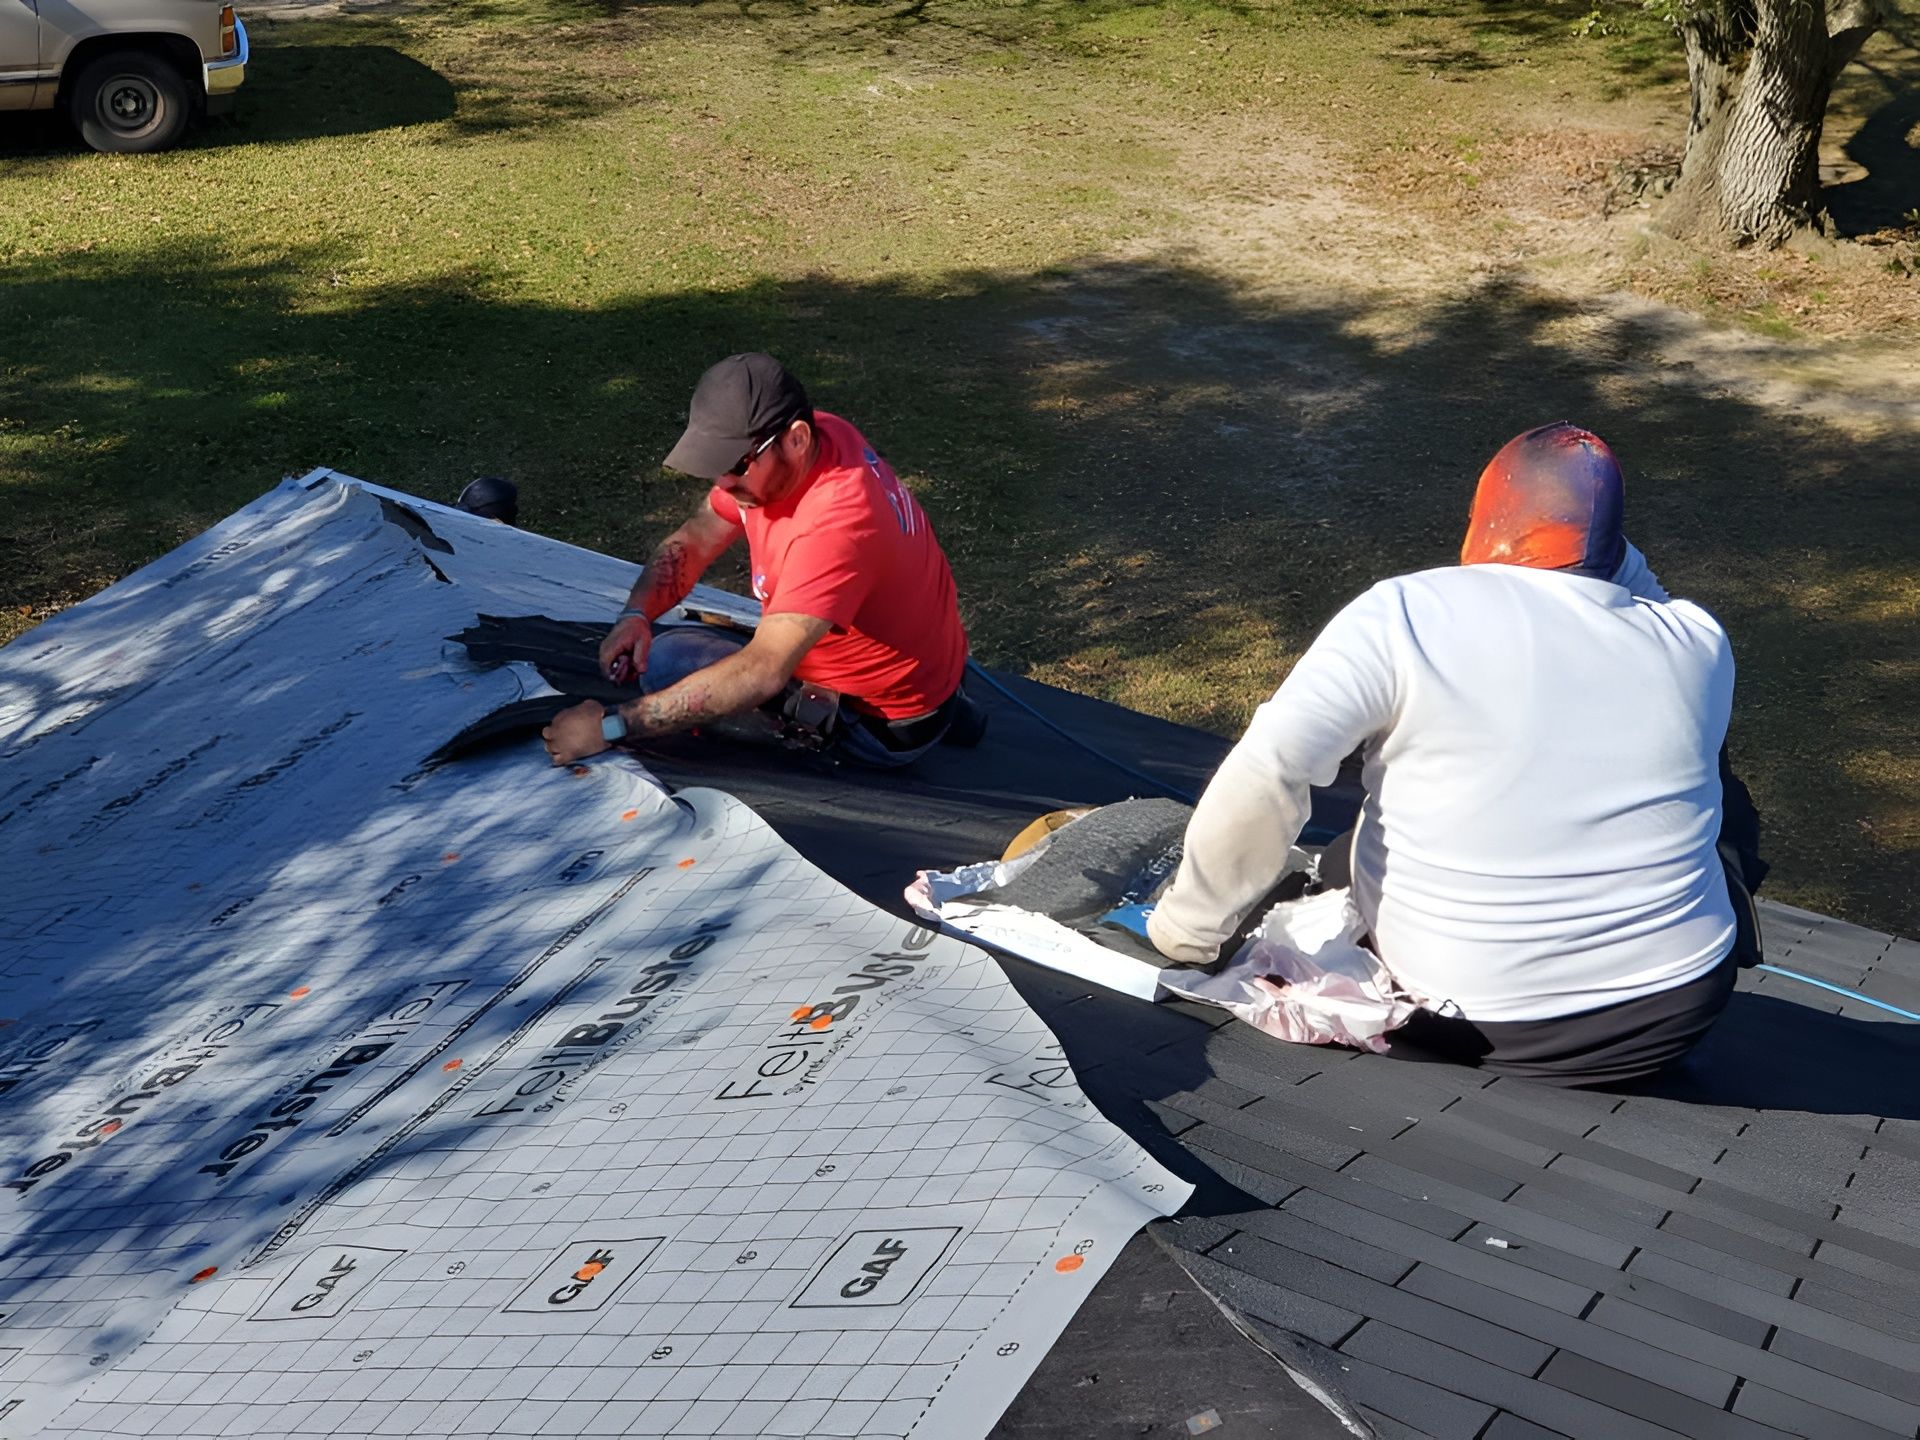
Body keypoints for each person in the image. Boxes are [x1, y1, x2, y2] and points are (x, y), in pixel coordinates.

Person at [1143, 423, 1742, 1086]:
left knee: (1351, 853)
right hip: (1676, 1012)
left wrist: (1187, 931)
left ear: (1490, 520)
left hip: (1480, 1022)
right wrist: (1599, 530)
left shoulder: (1407, 613)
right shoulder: (1698, 639)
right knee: (1722, 795)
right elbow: (1638, 585)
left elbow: (1272, 767)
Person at [541, 353, 979, 768]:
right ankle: (937, 704)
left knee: (667, 663)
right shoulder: (820, 439)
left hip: (880, 724)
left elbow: (762, 673)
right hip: (927, 676)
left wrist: (610, 727)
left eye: (735, 464)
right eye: (715, 465)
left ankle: (843, 737)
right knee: (681, 647)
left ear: (796, 439)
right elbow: (697, 537)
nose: (724, 482)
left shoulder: (838, 525)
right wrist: (636, 613)